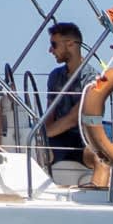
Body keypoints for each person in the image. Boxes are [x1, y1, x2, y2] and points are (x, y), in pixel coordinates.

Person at [38, 21, 88, 165]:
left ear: (71, 44)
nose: (50, 50)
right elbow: (50, 113)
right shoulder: (55, 76)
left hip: (84, 140)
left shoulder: (92, 79)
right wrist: (40, 139)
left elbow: (73, 118)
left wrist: (43, 135)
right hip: (57, 137)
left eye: (54, 45)